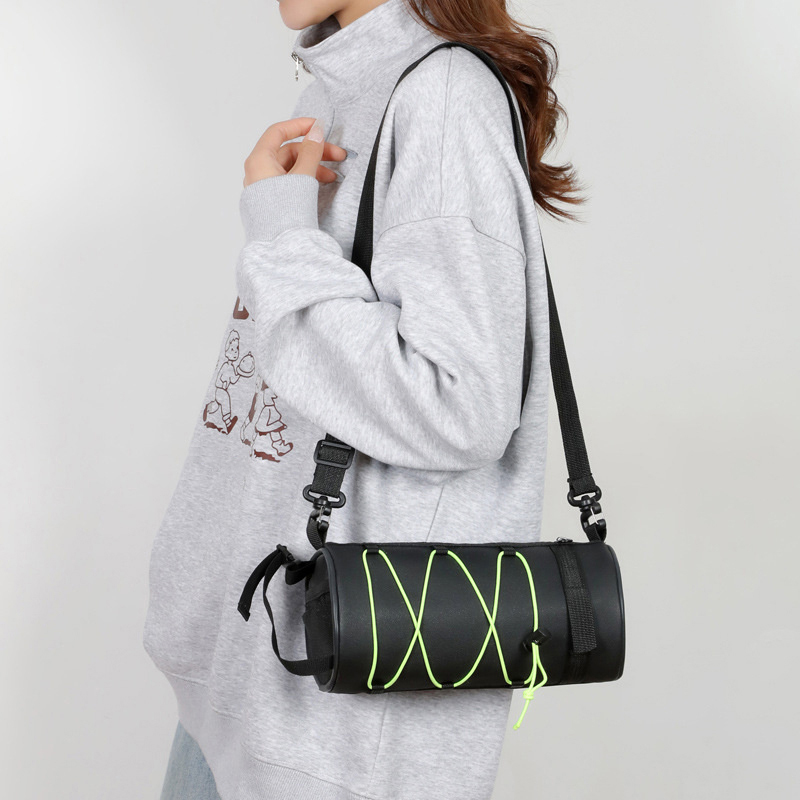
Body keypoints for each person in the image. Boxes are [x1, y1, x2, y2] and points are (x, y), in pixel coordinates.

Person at [144, 1, 586, 798]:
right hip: (246, 688)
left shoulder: (442, 98)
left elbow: (460, 405)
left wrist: (282, 234)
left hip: (332, 738)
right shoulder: (344, 81)